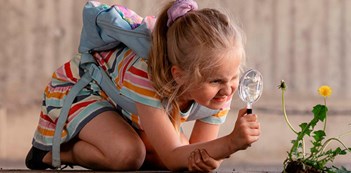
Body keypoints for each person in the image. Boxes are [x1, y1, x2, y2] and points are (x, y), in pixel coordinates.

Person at [25, 0, 260, 171]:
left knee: (171, 158)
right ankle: (51, 153)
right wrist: (231, 143)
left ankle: (113, 137)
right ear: (178, 76)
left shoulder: (222, 87)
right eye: (216, 80)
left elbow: (198, 153)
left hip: (125, 102)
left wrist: (208, 160)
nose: (229, 89)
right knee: (128, 155)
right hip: (86, 88)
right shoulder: (146, 75)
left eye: (233, 76)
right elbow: (174, 155)